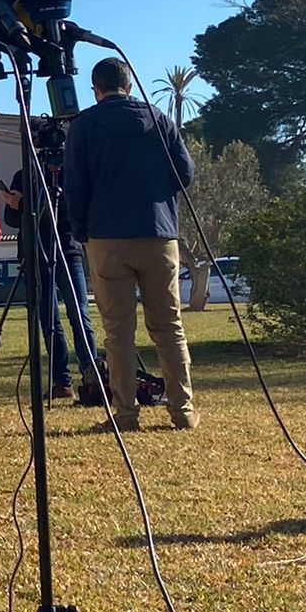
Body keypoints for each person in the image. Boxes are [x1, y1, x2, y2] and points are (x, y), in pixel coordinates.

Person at [64, 57, 198, 431]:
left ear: (96, 88)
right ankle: (182, 411)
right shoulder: (159, 119)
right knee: (170, 325)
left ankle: (125, 414)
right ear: (129, 85)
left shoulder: (84, 125)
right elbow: (185, 172)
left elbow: (74, 187)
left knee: (118, 332)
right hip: (159, 235)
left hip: (107, 238)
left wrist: (82, 232)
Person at [0, 117, 99, 406]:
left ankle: (92, 376)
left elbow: (70, 212)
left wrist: (28, 204)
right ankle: (60, 381)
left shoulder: (68, 173)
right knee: (47, 319)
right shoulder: (23, 175)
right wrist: (15, 205)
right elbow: (13, 220)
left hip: (68, 250)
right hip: (35, 252)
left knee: (79, 315)